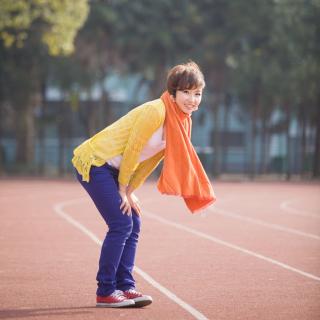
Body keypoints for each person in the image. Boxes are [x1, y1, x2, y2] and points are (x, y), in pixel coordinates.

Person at [72, 60, 216, 308]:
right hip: (96, 162)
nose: (192, 99)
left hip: (116, 170)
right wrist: (122, 188)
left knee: (134, 222)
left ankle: (125, 286)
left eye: (197, 94)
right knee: (120, 223)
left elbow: (149, 162)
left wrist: (130, 191)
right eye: (186, 92)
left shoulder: (181, 122)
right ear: (172, 93)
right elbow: (134, 149)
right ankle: (105, 291)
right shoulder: (156, 111)